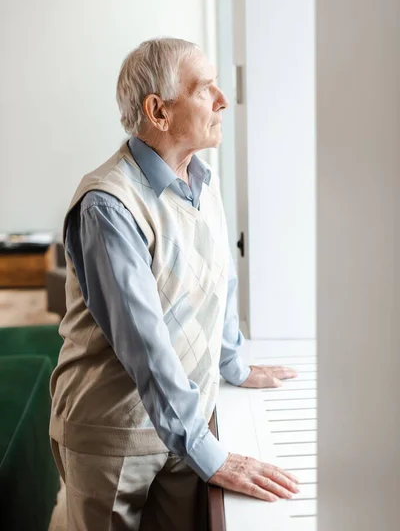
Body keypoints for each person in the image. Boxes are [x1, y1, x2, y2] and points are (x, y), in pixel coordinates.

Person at [49, 38, 299, 531]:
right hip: (113, 434)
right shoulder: (109, 205)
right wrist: (211, 453)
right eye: (206, 89)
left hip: (185, 423)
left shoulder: (202, 178)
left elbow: (218, 279)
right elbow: (144, 344)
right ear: (158, 111)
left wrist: (233, 363)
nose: (223, 99)